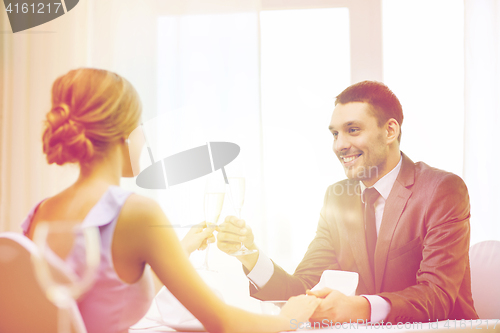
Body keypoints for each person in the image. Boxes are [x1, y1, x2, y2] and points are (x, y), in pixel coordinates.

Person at [21, 68, 320, 333]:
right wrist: (290, 320)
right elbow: (223, 323)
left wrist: (181, 250)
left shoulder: (39, 212)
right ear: (124, 133)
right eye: (140, 126)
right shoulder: (135, 210)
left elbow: (101, 296)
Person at [217, 81, 478, 324]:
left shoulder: (441, 190)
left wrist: (357, 307)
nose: (340, 145)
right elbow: (301, 291)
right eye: (334, 134)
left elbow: (436, 297)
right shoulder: (337, 198)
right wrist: (248, 254)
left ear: (390, 130)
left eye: (353, 130)